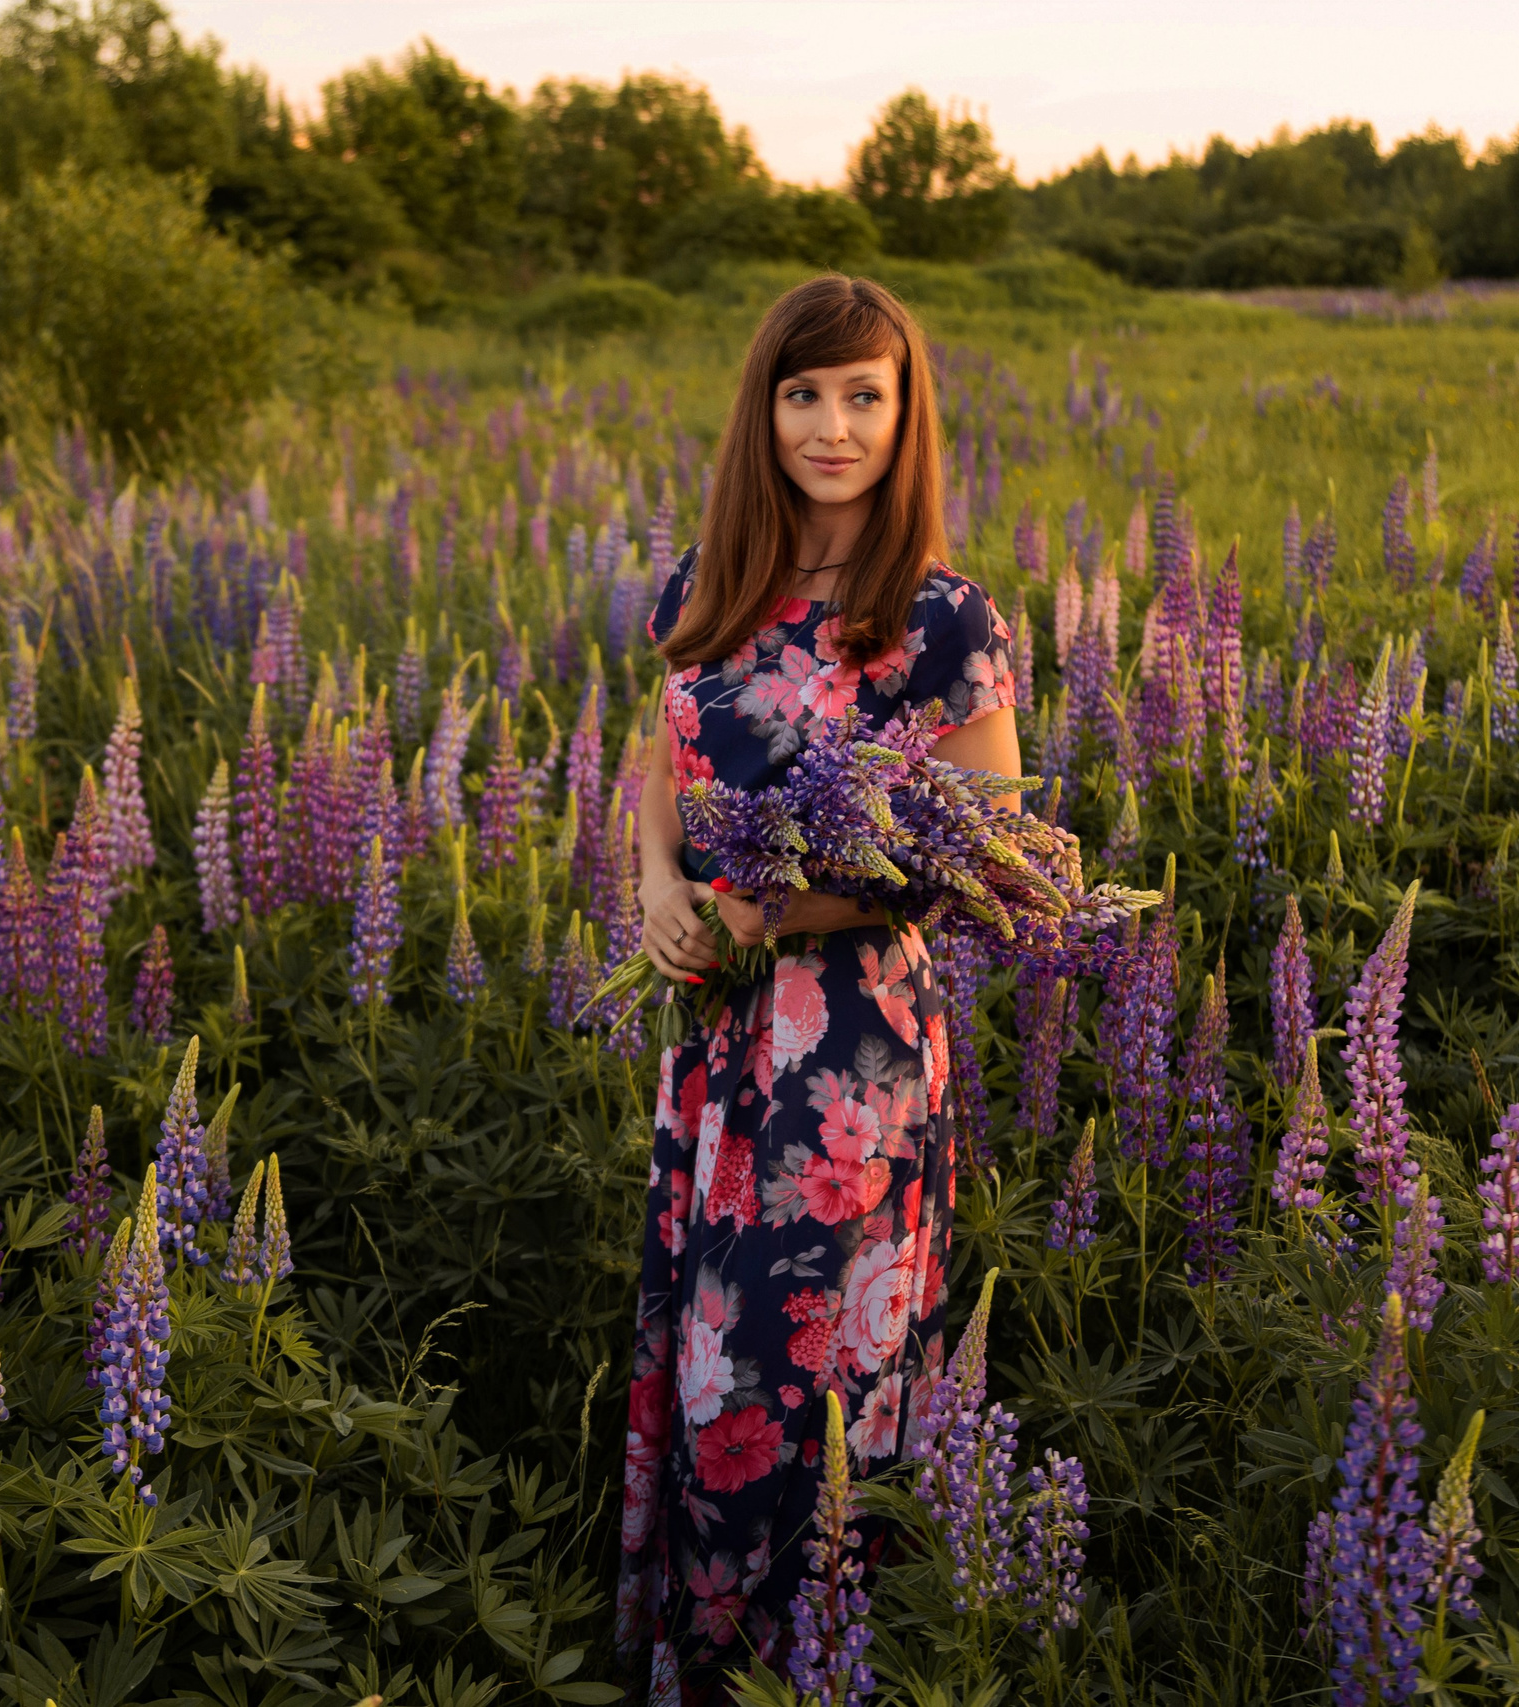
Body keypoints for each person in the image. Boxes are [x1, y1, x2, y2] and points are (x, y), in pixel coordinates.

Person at [618, 274, 1020, 1700]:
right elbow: (657, 764)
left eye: (864, 394)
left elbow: (982, 850)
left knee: (818, 1383)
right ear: (765, 407)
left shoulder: (944, 616)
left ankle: (824, 1668)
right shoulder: (708, 583)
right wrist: (664, 889)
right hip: (719, 1043)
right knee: (716, 1360)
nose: (832, 424)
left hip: (854, 1058)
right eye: (805, 393)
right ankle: (712, 1671)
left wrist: (767, 906)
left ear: (905, 413)